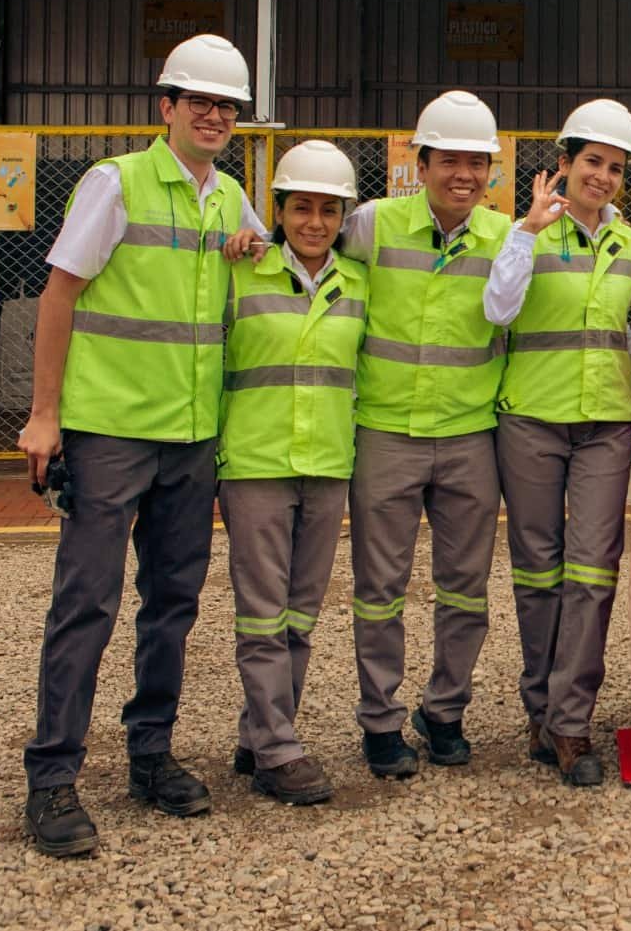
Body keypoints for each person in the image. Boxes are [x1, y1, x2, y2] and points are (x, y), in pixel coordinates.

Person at [17, 33, 266, 856]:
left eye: (226, 104)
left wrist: (250, 248)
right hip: (114, 430)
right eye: (198, 99)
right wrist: (44, 414)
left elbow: (263, 258)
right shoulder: (115, 182)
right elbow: (61, 292)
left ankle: (149, 754)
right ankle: (52, 775)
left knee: (172, 604)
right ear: (166, 106)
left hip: (192, 438)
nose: (214, 113)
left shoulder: (229, 196)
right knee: (85, 602)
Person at [337, 90, 512, 779]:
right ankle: (380, 720)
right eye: (451, 160)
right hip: (384, 432)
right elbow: (300, 244)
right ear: (421, 161)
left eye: (478, 161)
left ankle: (445, 709)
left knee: (466, 588)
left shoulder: (505, 237)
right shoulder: (371, 226)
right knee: (378, 587)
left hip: (471, 436)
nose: (464, 173)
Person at [484, 99, 631, 787]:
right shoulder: (526, 232)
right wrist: (525, 231)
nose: (602, 176)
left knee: (593, 570)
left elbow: (627, 334)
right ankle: (540, 710)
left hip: (606, 422)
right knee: (537, 570)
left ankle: (572, 723)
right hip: (534, 418)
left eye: (614, 167)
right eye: (592, 163)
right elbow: (499, 306)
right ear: (565, 164)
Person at [220, 140, 366, 807]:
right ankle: (281, 745)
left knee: (301, 613)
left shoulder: (358, 285)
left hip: (328, 462)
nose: (314, 222)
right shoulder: (240, 274)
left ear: (343, 216)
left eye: (328, 210)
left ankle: (259, 734)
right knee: (261, 612)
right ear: (277, 210)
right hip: (256, 463)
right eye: (301, 207)